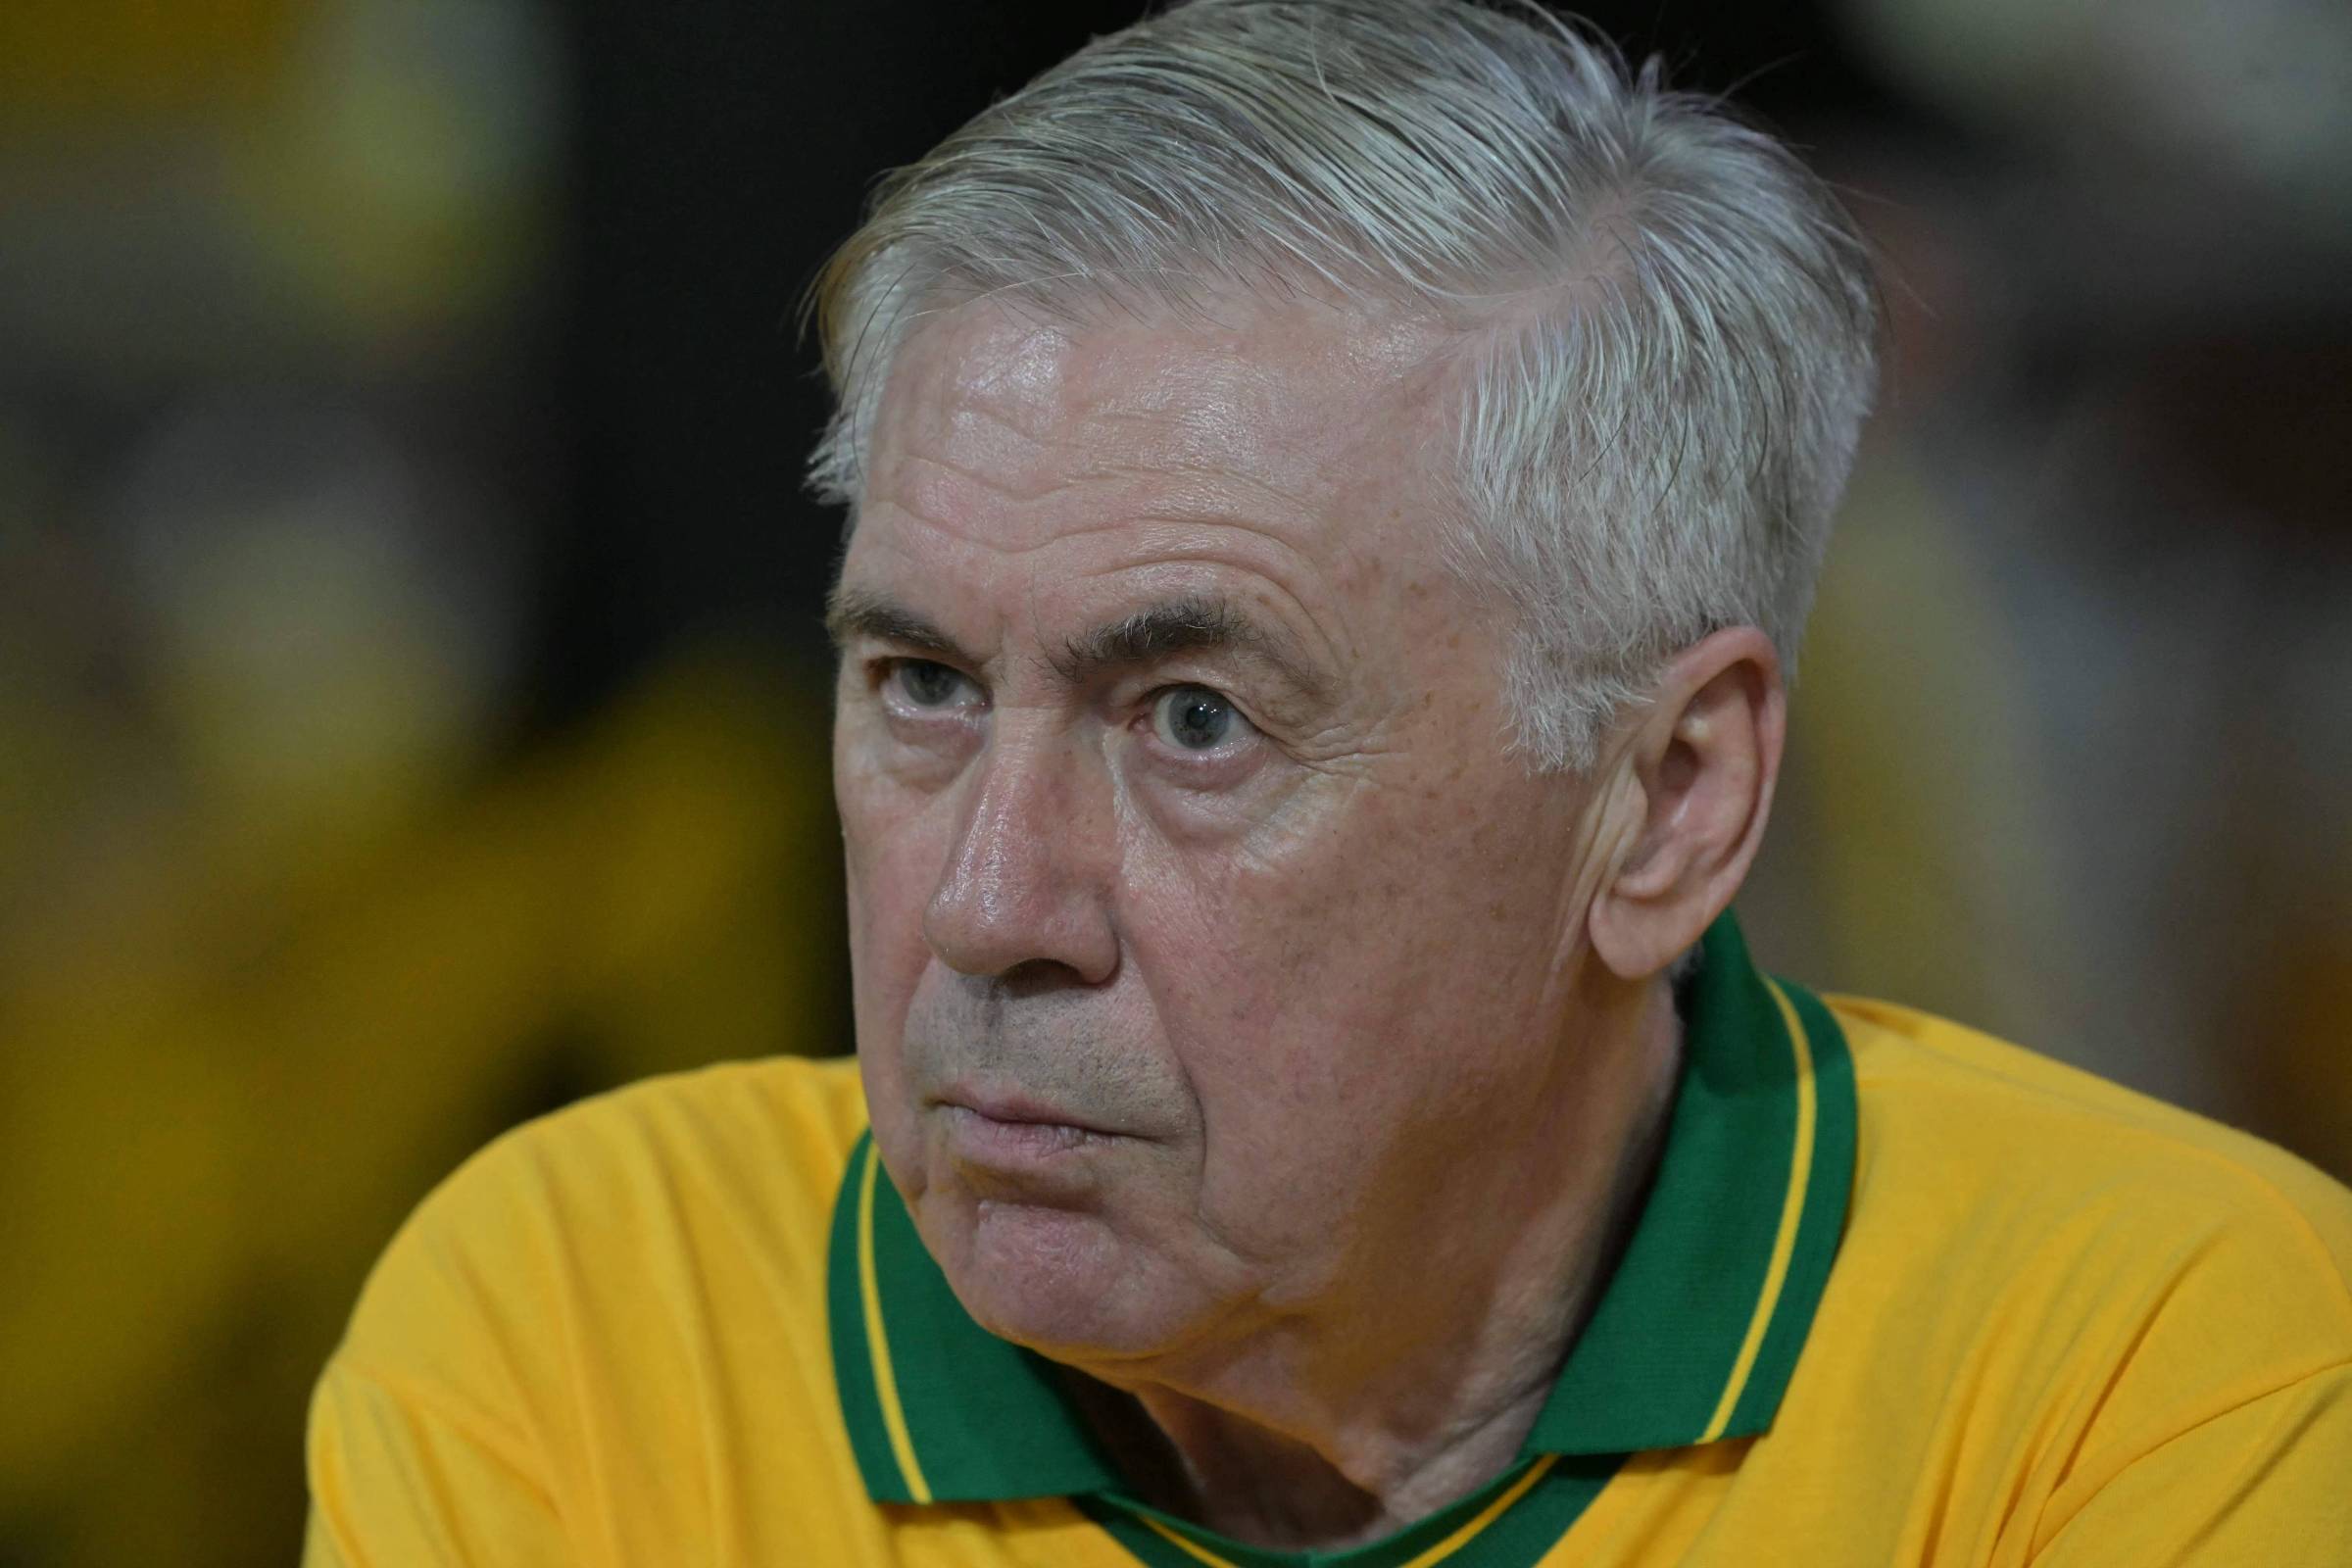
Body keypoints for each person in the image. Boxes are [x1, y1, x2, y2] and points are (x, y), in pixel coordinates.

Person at [301, 2, 2352, 1563]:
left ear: (1667, 802)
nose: (989, 907)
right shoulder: (592, 1323)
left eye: (1194, 718)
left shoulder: (2138, 1367)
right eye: (922, 684)